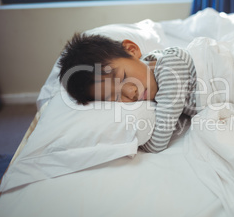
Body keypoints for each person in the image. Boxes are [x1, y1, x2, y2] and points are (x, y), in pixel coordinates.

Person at [58, 33, 197, 153]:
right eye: (114, 97)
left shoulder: (170, 65)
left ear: (132, 50)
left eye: (124, 77)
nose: (131, 92)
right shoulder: (147, 72)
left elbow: (157, 144)